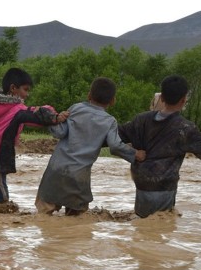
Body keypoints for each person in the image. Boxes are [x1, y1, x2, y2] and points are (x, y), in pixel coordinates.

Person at [118, 74, 201, 218]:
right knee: (160, 227)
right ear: (184, 100)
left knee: (143, 223)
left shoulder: (140, 120)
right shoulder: (185, 129)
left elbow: (114, 136)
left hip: (141, 183)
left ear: (161, 98)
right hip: (164, 187)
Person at [36, 77, 146, 216]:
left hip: (55, 170)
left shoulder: (76, 108)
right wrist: (135, 154)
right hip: (79, 176)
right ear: (113, 101)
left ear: (89, 95)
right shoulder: (109, 121)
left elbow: (59, 132)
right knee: (76, 218)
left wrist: (52, 120)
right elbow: (115, 145)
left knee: (44, 214)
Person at [0, 67, 68, 210]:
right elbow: (36, 116)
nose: (27, 94)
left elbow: (30, 116)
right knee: (3, 206)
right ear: (13, 88)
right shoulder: (17, 111)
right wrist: (56, 116)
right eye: (25, 90)